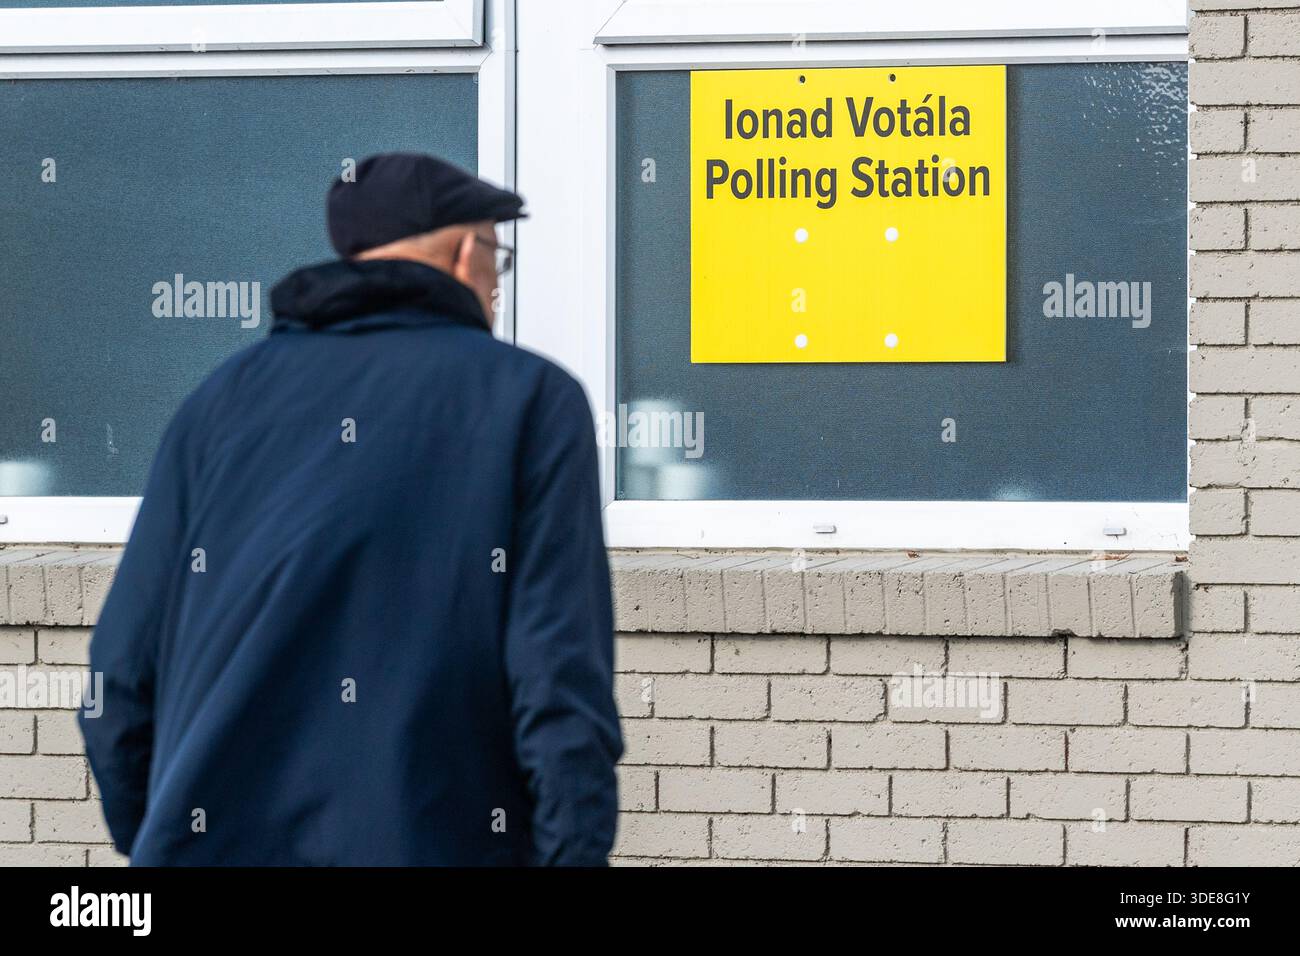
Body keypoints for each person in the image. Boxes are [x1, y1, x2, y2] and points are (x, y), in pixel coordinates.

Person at [80, 153, 622, 866]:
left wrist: (159, 833)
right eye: (500, 258)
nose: (497, 288)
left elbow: (116, 675)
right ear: (466, 255)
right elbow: (558, 681)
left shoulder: (217, 405)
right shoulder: (530, 402)